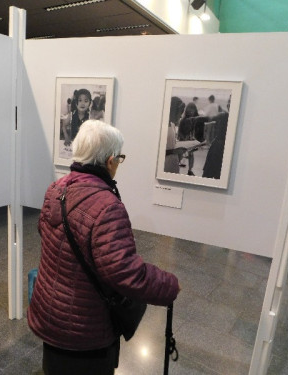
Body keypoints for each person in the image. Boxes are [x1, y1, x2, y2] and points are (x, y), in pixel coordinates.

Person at [28, 120, 180, 375]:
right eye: (120, 158)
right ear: (110, 161)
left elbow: (45, 232)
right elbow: (126, 273)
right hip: (85, 330)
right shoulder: (107, 206)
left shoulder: (55, 188)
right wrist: (169, 285)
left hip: (50, 314)